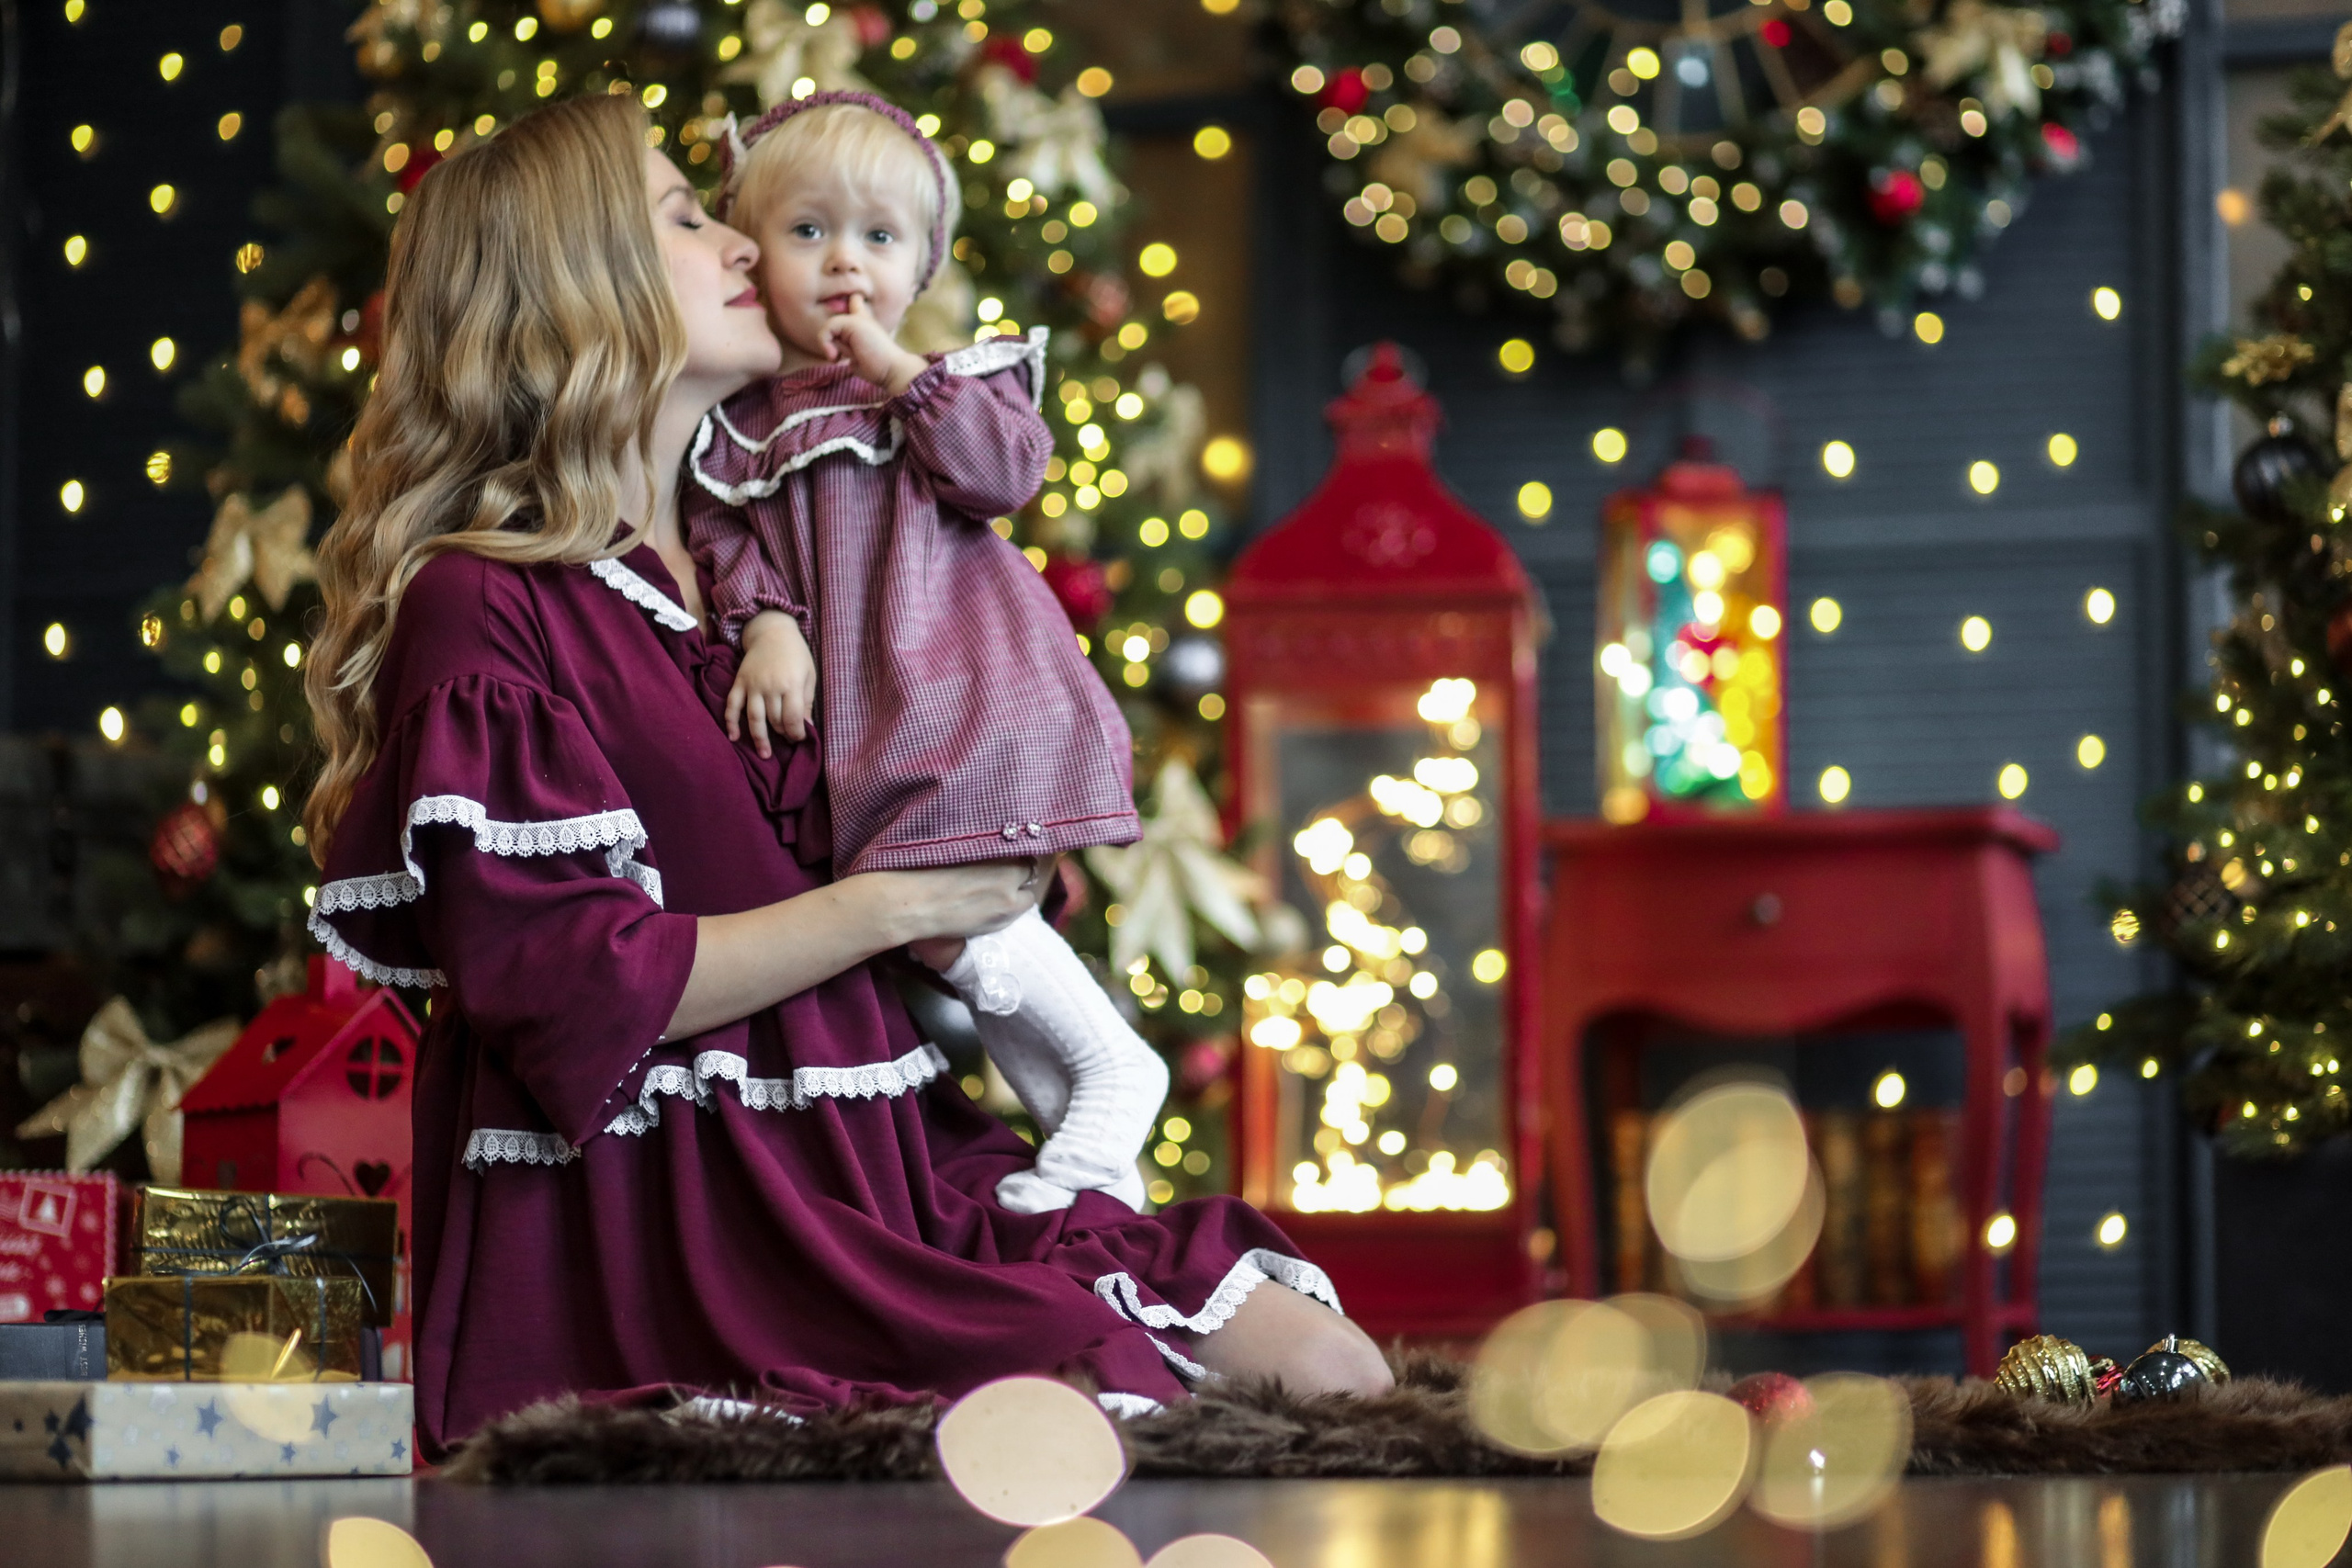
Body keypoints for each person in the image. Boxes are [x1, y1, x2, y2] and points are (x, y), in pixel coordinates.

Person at [300, 94, 1391, 1458]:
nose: (746, 241)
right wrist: (885, 903)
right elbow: (569, 987)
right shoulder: (489, 604)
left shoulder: (771, 559)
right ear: (580, 282)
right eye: (686, 217)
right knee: (1093, 1445)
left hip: (893, 1153)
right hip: (699, 1217)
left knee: (1331, 1365)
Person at [683, 94, 1165, 1218]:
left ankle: (1116, 1070)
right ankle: (1104, 1192)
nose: (844, 261)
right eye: (808, 232)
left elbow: (1003, 474)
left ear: (924, 264)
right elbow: (721, 537)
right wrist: (767, 622)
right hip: (869, 710)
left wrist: (903, 372)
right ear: (752, 251)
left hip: (968, 687)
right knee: (950, 925)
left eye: (878, 237)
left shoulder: (941, 381)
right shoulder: (739, 428)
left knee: (952, 912)